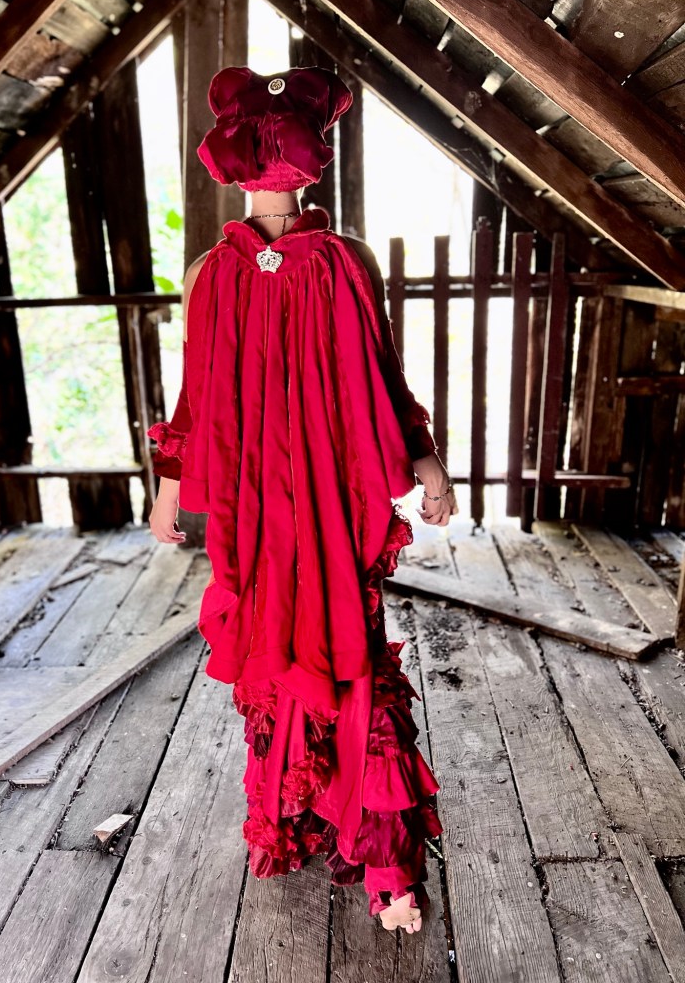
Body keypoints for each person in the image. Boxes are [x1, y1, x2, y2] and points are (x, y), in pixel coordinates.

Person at [147, 65, 457, 934]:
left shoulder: (323, 264)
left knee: (333, 651)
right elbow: (203, 398)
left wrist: (425, 461)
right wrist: (171, 488)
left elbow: (379, 376)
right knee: (302, 648)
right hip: (267, 506)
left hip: (322, 498)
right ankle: (317, 827)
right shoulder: (231, 271)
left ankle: (384, 860)